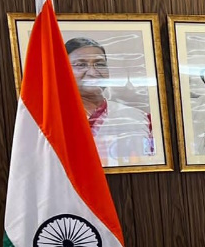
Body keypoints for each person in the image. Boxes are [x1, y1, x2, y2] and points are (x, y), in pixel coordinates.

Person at [66, 37, 155, 165]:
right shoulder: (48, 121)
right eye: (81, 65)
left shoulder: (140, 119)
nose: (93, 72)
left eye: (100, 64)